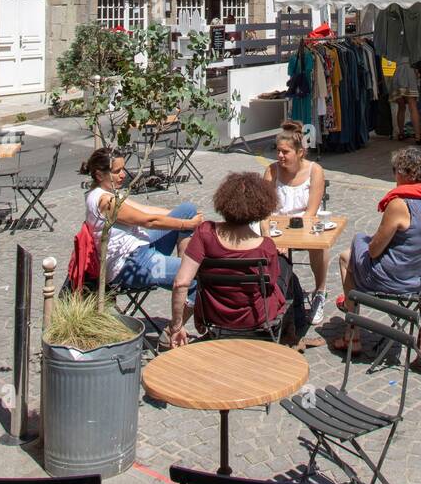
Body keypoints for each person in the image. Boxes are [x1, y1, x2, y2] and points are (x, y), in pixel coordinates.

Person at [169, 170, 309, 347]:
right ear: (262, 207)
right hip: (256, 316)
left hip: (214, 314)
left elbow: (181, 283)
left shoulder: (204, 232)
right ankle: (294, 330)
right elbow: (271, 286)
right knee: (286, 265)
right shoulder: (266, 247)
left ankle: (293, 329)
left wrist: (176, 325)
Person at [335, 147, 421, 352]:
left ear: (404, 174)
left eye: (394, 170)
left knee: (347, 255)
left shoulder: (400, 204)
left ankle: (353, 331)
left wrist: (360, 240)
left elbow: (374, 251)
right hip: (419, 277)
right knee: (352, 253)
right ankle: (350, 308)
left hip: (393, 278)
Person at [81, 149, 201, 292]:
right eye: (117, 171)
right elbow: (148, 221)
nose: (123, 175)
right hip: (130, 264)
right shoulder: (106, 201)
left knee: (187, 210)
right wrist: (187, 224)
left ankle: (181, 270)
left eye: (123, 169)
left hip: (140, 248)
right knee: (197, 275)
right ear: (100, 175)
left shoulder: (108, 191)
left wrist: (179, 216)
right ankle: (184, 281)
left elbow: (144, 210)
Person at [263, 124, 329, 325]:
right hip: (276, 225)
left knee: (318, 243)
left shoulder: (314, 171)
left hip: (304, 225)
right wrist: (274, 237)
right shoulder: (271, 171)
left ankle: (320, 291)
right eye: (278, 151)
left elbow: (310, 212)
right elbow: (265, 208)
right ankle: (271, 294)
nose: (280, 156)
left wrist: (289, 240)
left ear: (300, 152)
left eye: (285, 152)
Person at [389, 59, 421, 143]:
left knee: (401, 107)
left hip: (397, 72)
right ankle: (418, 137)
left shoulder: (393, 45)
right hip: (409, 72)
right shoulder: (413, 45)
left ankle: (401, 133)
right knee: (413, 106)